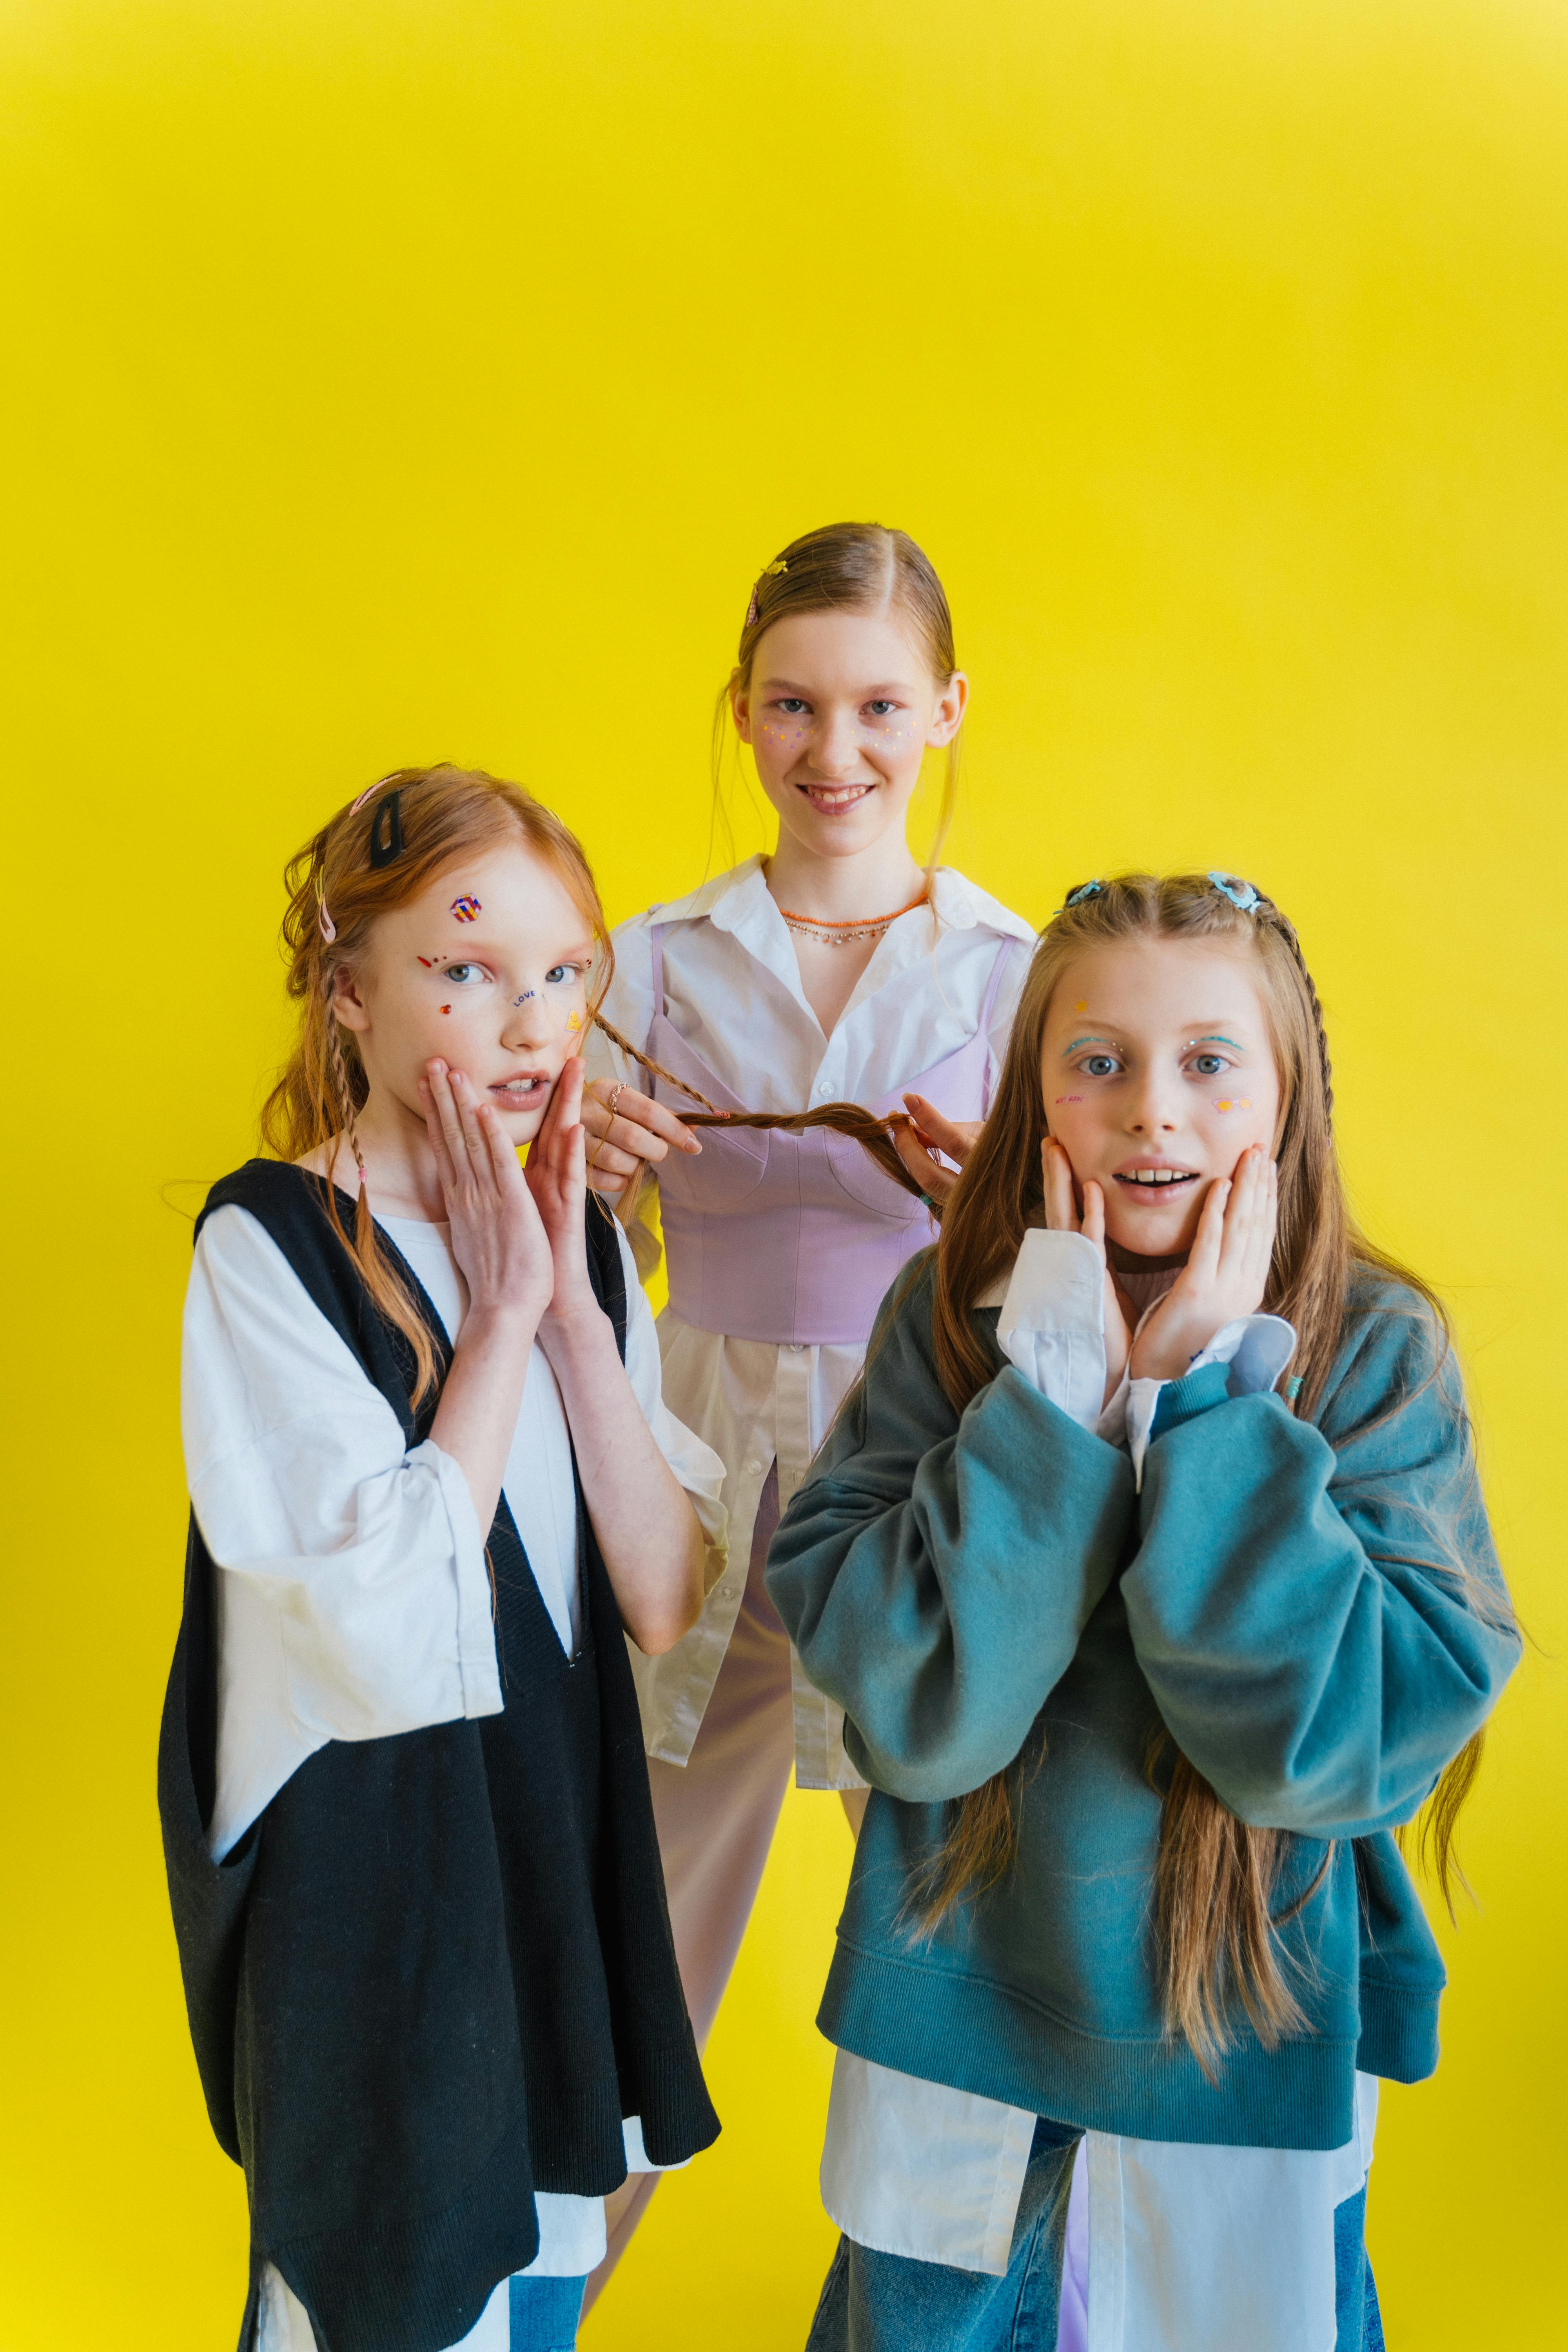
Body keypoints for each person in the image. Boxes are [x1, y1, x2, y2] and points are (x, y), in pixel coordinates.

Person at [765, 869, 1519, 2352]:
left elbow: (1326, 1750)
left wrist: (1203, 1414)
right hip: (960, 2036)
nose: (1153, 1112)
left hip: (1238, 2028)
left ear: (1287, 1101)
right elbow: (921, 1716)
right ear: (1033, 1091)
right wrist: (1054, 1403)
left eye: (1209, 1064)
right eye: (1098, 1061)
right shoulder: (946, 1324)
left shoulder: (1378, 1351)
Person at [159, 766, 728, 2352]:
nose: (532, 1026)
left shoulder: (589, 1244)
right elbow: (386, 1640)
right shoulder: (266, 1244)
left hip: (546, 1853)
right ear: (348, 993)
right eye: (465, 971)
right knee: (382, 2308)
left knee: (538, 2299)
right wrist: (489, 1325)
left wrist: (563, 1303)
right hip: (379, 1888)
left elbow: (662, 1596)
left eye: (563, 976)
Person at [576, 522, 1034, 2288]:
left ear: (943, 714)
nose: (831, 750)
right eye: (789, 705)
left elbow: (1086, 1282)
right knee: (630, 1943)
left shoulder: (1014, 980)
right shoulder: (649, 958)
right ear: (743, 715)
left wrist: (1000, 1201)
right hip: (679, 1475)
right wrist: (585, 1184)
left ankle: (976, 2309)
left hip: (920, 1494)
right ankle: (532, 2301)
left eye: (873, 706)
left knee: (945, 1932)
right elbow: (571, 1266)